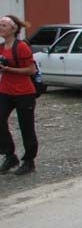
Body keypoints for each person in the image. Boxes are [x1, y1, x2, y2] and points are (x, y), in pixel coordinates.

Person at [0, 15, 38, 175]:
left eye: (3, 25)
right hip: (5, 91)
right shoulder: (1, 47)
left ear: (13, 29)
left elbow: (31, 70)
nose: (0, 28)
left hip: (24, 93)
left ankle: (29, 161)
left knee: (26, 127)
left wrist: (9, 70)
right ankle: (10, 155)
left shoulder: (22, 47)